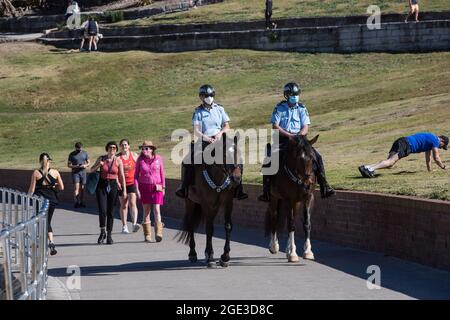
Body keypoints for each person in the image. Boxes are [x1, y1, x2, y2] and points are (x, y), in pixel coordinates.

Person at [258, 82, 335, 201]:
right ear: (286, 95)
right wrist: (289, 135)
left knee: (317, 157)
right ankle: (266, 191)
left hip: (300, 139)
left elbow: (306, 126)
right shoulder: (279, 108)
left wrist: (299, 135)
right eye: (292, 94)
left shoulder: (302, 108)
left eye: (296, 94)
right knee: (269, 159)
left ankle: (325, 185)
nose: (295, 96)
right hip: (284, 139)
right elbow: (275, 126)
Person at [175, 84, 248, 200]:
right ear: (201, 97)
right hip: (204, 140)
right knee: (187, 160)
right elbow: (196, 131)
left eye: (211, 95)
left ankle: (239, 188)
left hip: (220, 139)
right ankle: (184, 187)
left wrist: (219, 134)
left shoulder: (220, 109)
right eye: (206, 95)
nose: (209, 97)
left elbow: (226, 126)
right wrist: (207, 138)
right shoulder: (198, 112)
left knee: (237, 157)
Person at [359, 133, 448, 178]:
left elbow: (428, 158)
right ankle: (369, 169)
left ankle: (367, 167)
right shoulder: (435, 141)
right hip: (406, 145)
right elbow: (436, 157)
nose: (440, 148)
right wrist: (443, 167)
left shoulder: (430, 139)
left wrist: (430, 171)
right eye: (442, 147)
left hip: (401, 140)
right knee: (390, 162)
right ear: (442, 141)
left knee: (390, 163)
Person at [28, 153, 64, 256]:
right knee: (48, 221)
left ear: (40, 161)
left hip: (40, 200)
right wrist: (54, 185)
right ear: (50, 161)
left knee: (41, 221)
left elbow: (32, 189)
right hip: (52, 199)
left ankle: (42, 243)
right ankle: (51, 242)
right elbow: (62, 187)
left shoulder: (36, 173)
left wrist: (27, 197)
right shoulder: (55, 172)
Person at [90, 141, 127, 245]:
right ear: (107, 148)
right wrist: (99, 165)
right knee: (102, 210)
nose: (112, 149)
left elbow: (122, 176)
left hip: (113, 185)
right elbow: (91, 170)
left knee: (111, 211)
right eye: (110, 147)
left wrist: (124, 190)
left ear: (116, 150)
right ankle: (102, 232)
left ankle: (109, 234)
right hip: (102, 185)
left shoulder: (118, 160)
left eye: (114, 148)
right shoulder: (101, 158)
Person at [134, 141, 165, 243]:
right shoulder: (140, 160)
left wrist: (163, 187)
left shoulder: (158, 159)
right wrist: (137, 189)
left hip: (157, 186)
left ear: (152, 149)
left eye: (146, 148)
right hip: (144, 186)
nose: (144, 150)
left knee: (156, 209)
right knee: (146, 210)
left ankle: (158, 233)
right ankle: (147, 234)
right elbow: (135, 176)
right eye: (143, 149)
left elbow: (162, 173)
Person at [118, 139, 140, 234]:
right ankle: (124, 226)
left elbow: (141, 166)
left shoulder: (134, 155)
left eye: (126, 145)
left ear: (129, 146)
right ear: (120, 147)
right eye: (122, 145)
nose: (124, 146)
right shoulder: (118, 157)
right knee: (124, 205)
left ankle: (134, 224)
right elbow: (114, 170)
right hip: (121, 184)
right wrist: (117, 182)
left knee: (132, 203)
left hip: (132, 183)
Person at [67, 142, 90, 208]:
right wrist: (76, 166)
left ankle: (82, 202)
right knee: (76, 188)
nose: (79, 150)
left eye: (80, 149)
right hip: (75, 173)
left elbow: (88, 162)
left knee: (82, 188)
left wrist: (85, 165)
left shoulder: (84, 153)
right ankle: (76, 202)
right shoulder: (72, 154)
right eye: (78, 149)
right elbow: (68, 165)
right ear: (75, 148)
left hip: (83, 172)